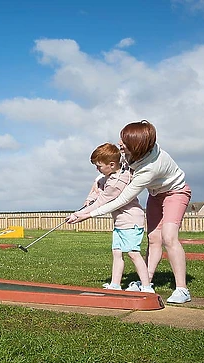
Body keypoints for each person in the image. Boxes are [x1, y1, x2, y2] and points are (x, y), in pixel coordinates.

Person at [67, 120, 192, 304]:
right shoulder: (130, 154)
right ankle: (146, 281)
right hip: (155, 194)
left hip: (176, 192)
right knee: (153, 238)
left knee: (169, 236)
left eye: (124, 142)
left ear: (137, 146)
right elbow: (111, 169)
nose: (120, 144)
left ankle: (182, 289)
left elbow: (122, 199)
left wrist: (88, 214)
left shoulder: (149, 168)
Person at [67, 143, 153, 293]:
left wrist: (78, 215)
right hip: (120, 221)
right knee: (117, 252)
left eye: (99, 166)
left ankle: (146, 287)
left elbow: (101, 202)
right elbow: (99, 183)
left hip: (131, 220)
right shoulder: (110, 175)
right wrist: (90, 197)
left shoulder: (117, 182)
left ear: (112, 165)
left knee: (133, 253)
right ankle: (115, 284)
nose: (97, 169)